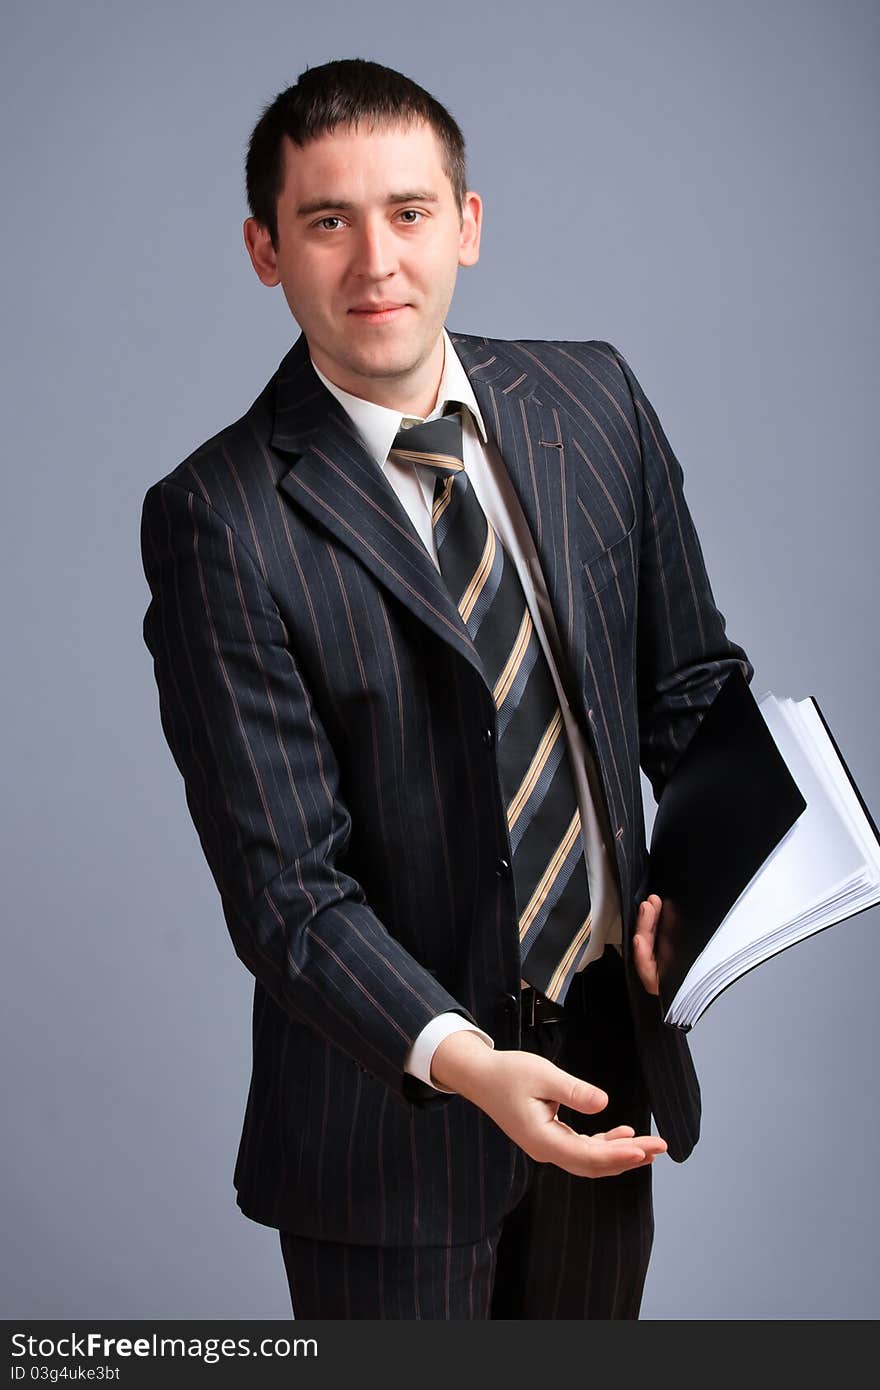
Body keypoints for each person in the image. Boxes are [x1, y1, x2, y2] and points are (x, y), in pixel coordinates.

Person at [140, 57, 753, 1319]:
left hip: (604, 1073)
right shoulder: (220, 518)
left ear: (465, 225)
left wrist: (702, 881)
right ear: (266, 249)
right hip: (386, 1131)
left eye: (410, 212)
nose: (376, 263)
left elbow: (691, 694)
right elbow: (286, 891)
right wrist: (469, 1065)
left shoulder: (593, 402)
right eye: (327, 221)